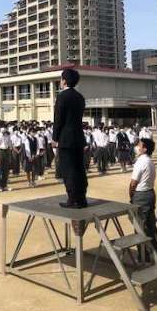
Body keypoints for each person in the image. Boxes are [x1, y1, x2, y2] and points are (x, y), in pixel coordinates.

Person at [52, 68, 87, 209]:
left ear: (65, 81)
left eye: (61, 79)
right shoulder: (80, 97)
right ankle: (82, 198)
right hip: (78, 137)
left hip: (66, 139)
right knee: (79, 168)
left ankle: (73, 199)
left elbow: (58, 119)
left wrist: (55, 138)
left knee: (68, 170)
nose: (60, 82)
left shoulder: (62, 96)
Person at [129, 138, 157, 258]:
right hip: (149, 193)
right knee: (151, 225)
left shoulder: (141, 162)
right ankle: (156, 252)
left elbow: (133, 183)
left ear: (145, 149)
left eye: (139, 145)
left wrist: (131, 196)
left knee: (140, 226)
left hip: (141, 195)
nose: (137, 147)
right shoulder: (149, 161)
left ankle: (144, 255)